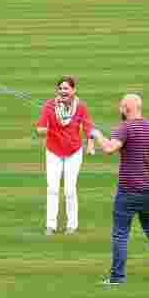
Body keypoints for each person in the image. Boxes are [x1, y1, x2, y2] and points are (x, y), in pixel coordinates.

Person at [92, 94, 149, 284]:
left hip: (128, 191)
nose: (119, 110)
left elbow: (109, 149)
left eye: (121, 106)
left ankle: (117, 277)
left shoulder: (125, 128)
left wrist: (97, 135)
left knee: (120, 233)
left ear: (126, 108)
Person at [36, 76, 95, 235]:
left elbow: (88, 126)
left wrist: (90, 143)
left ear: (73, 90)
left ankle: (72, 225)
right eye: (60, 88)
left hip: (74, 152)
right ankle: (50, 225)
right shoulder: (49, 106)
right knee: (53, 188)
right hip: (53, 151)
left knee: (69, 189)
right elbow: (40, 129)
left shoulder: (80, 107)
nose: (63, 91)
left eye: (66, 88)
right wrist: (49, 131)